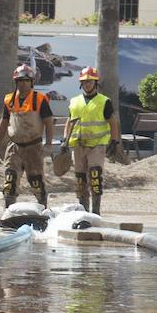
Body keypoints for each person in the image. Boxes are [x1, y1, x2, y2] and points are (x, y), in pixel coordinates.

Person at [62, 66, 122, 214]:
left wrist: (114, 141)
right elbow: (69, 122)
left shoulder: (104, 101)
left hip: (97, 145)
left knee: (95, 176)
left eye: (90, 81)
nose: (87, 84)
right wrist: (65, 140)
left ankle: (95, 212)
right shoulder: (74, 101)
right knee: (80, 179)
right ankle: (83, 211)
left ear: (96, 83)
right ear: (81, 84)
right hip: (78, 145)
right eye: (84, 81)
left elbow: (112, 122)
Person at [0, 63, 54, 208]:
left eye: (27, 80)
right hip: (14, 147)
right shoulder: (9, 99)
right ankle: (9, 212)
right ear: (16, 82)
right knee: (9, 182)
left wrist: (48, 144)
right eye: (20, 80)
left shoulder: (40, 99)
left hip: (33, 147)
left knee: (36, 183)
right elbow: (3, 123)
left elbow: (48, 122)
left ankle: (43, 210)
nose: (23, 83)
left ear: (32, 82)